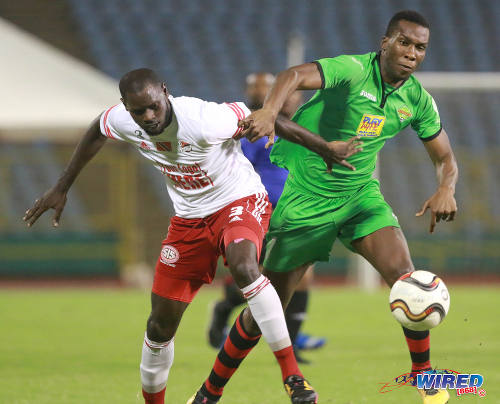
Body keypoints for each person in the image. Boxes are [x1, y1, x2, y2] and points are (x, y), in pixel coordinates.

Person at [22, 68, 362, 404]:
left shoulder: (203, 118)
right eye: (138, 111)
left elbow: (265, 119)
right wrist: (61, 186)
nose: (149, 116)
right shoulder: (124, 120)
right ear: (126, 107)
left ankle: (293, 377)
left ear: (165, 92)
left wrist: (325, 149)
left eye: (154, 105)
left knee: (245, 268)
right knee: (159, 327)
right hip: (188, 220)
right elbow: (98, 128)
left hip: (238, 200)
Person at [199, 10, 459, 404]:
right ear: (385, 43)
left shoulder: (417, 100)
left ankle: (424, 378)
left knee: (406, 278)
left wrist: (446, 187)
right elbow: (291, 76)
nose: (411, 53)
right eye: (404, 42)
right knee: (264, 310)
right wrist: (269, 110)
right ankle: (208, 393)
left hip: (360, 198)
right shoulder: (352, 69)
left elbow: (445, 156)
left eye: (419, 47)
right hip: (306, 201)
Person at [207, 72, 326, 364]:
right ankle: (225, 307)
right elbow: (237, 167)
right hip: (260, 211)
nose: (294, 98)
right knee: (259, 280)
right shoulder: (251, 128)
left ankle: (293, 345)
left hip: (292, 211)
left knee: (303, 276)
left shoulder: (297, 128)